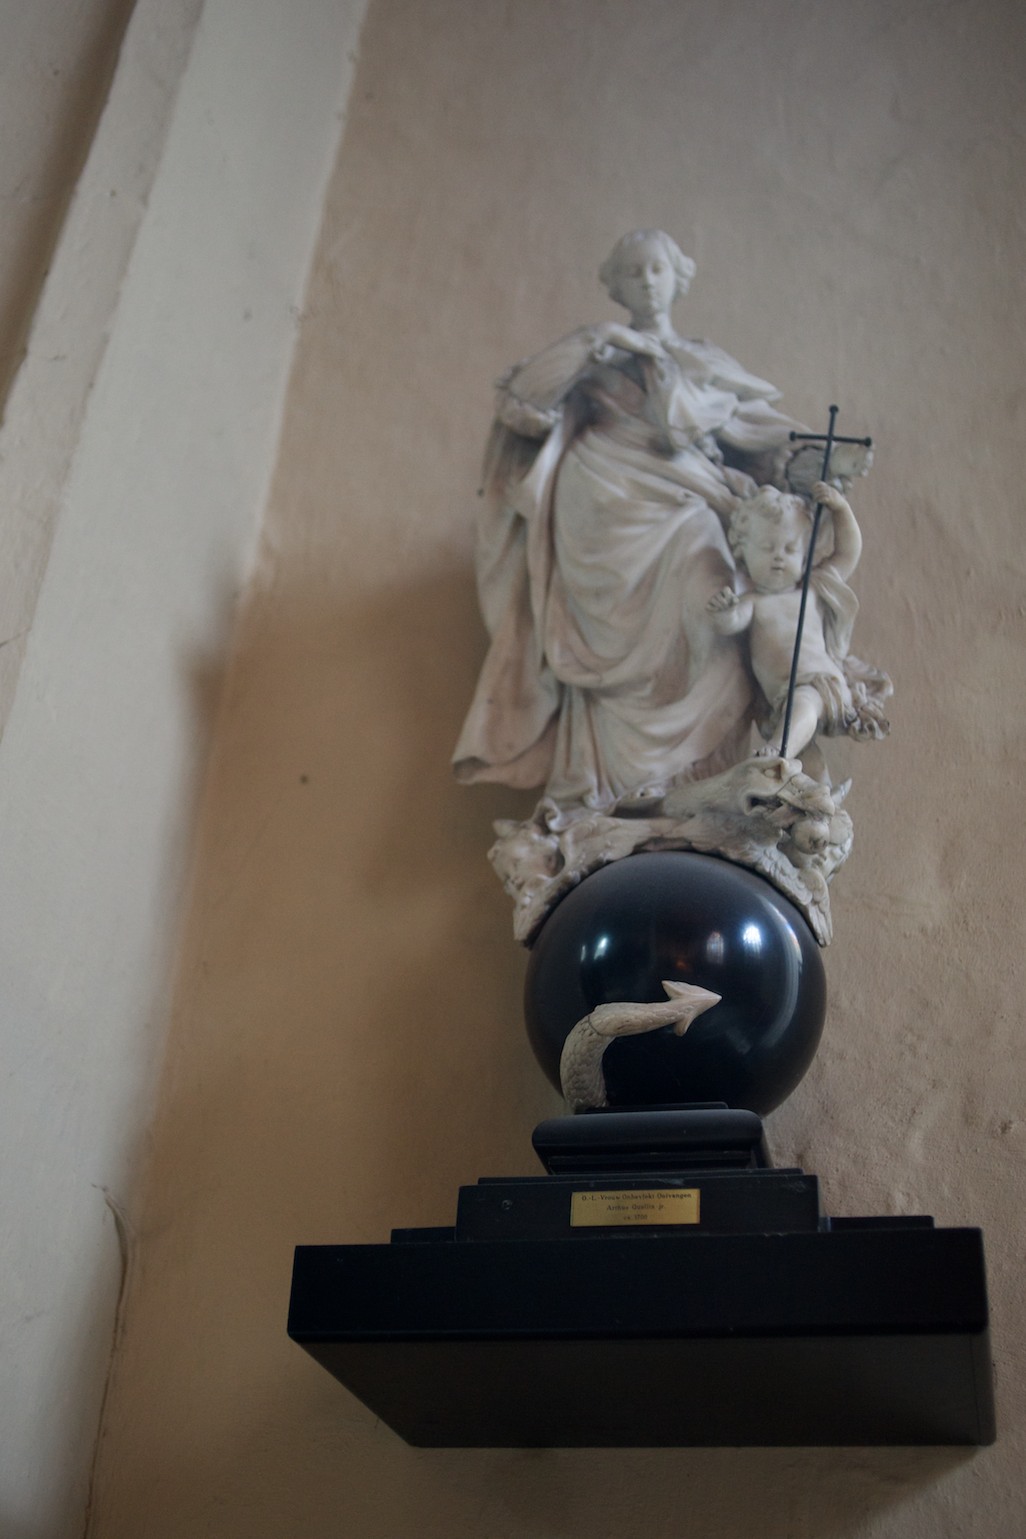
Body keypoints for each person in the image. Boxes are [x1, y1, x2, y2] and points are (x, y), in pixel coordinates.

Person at [453, 230, 805, 810]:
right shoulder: (599, 355)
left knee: (712, 598)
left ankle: (700, 784)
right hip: (601, 503)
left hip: (687, 498)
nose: (646, 281)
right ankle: (599, 798)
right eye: (633, 272)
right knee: (605, 647)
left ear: (678, 278)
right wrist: (596, 341)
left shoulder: (704, 362)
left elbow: (765, 432)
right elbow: (522, 403)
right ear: (615, 285)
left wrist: (815, 460)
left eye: (657, 269)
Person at [708, 480, 890, 760]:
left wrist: (841, 509)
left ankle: (777, 751)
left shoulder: (811, 591)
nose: (779, 557)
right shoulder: (752, 603)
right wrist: (723, 612)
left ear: (805, 556)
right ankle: (808, 780)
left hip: (821, 683)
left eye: (790, 549)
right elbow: (731, 623)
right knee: (806, 753)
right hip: (782, 696)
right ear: (743, 550)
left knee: (804, 706)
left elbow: (847, 553)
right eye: (767, 547)